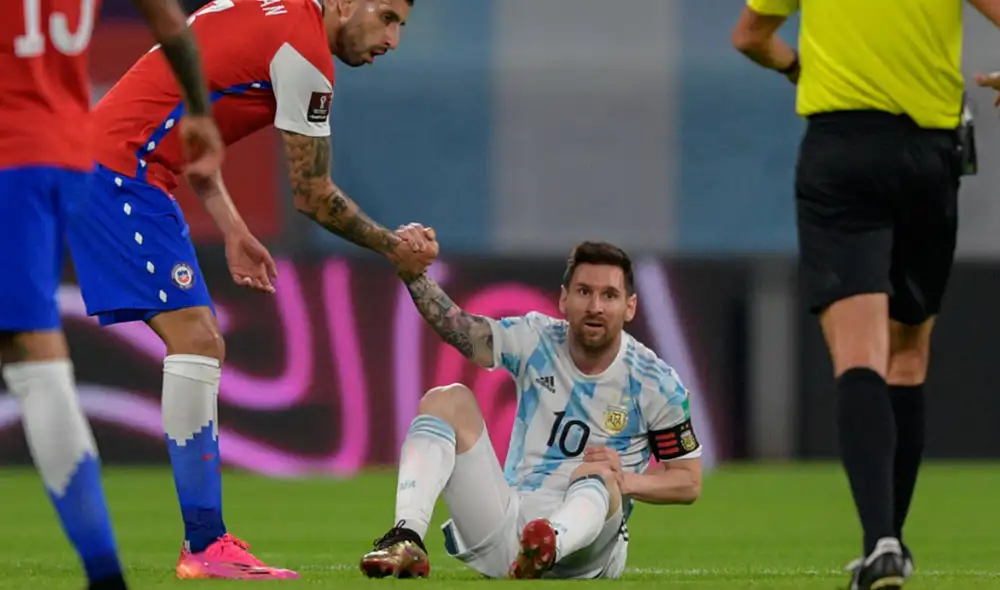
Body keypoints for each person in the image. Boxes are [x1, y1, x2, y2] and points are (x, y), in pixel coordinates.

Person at [65, 0, 428, 581]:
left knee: (198, 341)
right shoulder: (304, 52)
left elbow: (195, 139)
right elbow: (313, 195)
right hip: (121, 171)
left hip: (122, 167)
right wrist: (392, 247)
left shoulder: (255, 11)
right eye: (386, 16)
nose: (393, 39)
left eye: (401, 25)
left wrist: (232, 227)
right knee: (197, 341)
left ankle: (206, 541)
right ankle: (205, 543)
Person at [731, 1, 1000, 588]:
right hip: (931, 159)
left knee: (860, 355)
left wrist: (798, 67)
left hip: (842, 151)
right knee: (907, 356)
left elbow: (750, 36)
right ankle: (890, 541)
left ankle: (881, 541)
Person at [0, 1, 222, 589]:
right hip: (64, 154)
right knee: (29, 350)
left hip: (10, 154)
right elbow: (170, 22)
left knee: (32, 355)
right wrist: (199, 111)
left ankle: (105, 574)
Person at [360, 235, 703, 580]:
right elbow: (460, 329)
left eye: (609, 295)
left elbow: (688, 481)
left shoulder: (655, 382)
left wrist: (624, 481)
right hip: (509, 532)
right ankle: (406, 536)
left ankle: (551, 542)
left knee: (596, 473)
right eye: (584, 292)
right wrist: (414, 276)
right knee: (445, 400)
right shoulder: (536, 338)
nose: (595, 306)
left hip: (587, 554)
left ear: (630, 306)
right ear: (564, 298)